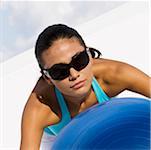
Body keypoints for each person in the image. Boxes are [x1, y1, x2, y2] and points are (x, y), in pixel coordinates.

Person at [20, 24, 151, 149]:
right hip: (58, 138)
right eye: (59, 71)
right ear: (48, 78)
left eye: (79, 60)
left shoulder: (115, 74)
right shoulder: (41, 108)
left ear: (89, 54)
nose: (74, 74)